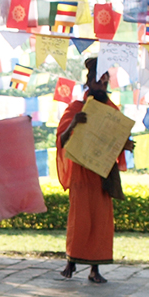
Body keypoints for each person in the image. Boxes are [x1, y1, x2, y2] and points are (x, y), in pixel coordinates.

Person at [56, 57, 133, 284]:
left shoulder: (112, 111)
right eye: (98, 82)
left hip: (102, 174)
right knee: (80, 219)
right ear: (88, 83)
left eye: (105, 82)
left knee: (101, 222)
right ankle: (71, 262)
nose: (102, 86)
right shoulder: (75, 109)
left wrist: (126, 145)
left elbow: (116, 143)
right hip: (81, 173)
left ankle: (95, 269)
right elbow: (61, 140)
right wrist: (74, 124)